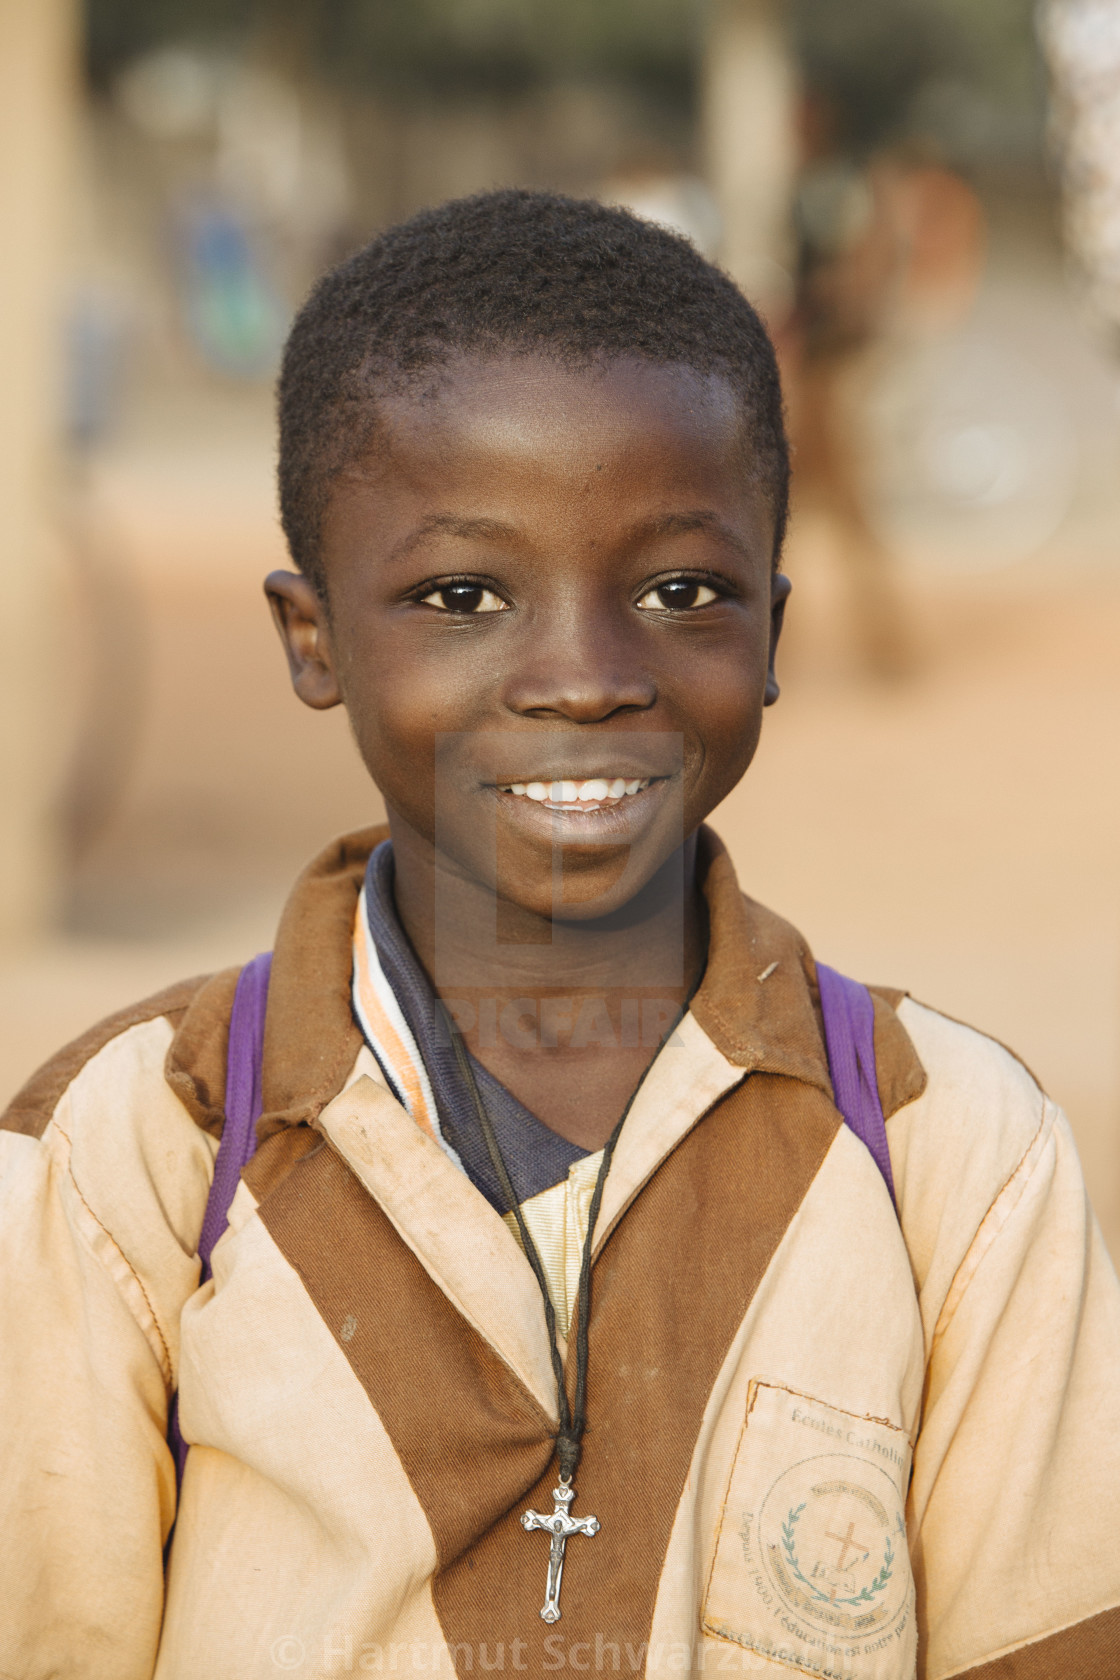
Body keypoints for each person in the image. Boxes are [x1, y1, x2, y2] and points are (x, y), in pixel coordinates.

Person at [1, 190, 1117, 1680]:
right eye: (462, 595)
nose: (585, 678)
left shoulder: (949, 1153)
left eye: (680, 591)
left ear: (771, 633)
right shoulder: (139, 1145)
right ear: (314, 637)